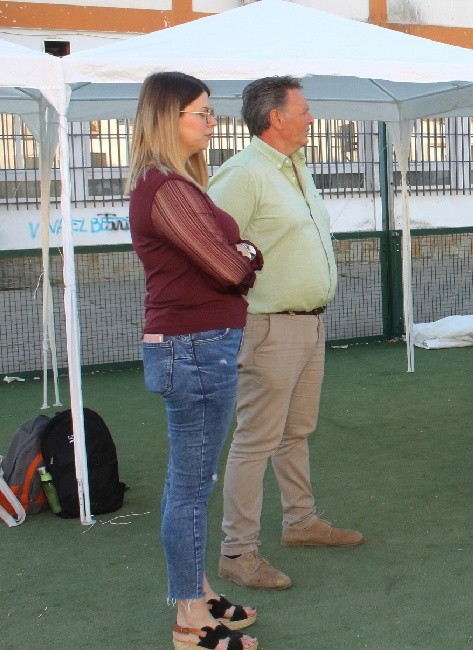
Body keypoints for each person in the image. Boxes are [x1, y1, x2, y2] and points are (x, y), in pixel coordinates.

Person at [209, 76, 362, 591]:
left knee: (295, 432)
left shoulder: (295, 168)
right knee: (256, 440)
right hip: (268, 326)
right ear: (276, 117)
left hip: (307, 323)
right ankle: (238, 552)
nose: (312, 118)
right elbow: (208, 249)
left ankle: (300, 522)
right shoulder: (244, 173)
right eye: (305, 110)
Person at [128, 71, 260, 650]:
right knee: (189, 485)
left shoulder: (179, 185)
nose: (211, 122)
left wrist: (241, 254)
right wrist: (247, 253)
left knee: (193, 482)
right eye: (201, 113)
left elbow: (230, 261)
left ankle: (198, 590)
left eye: (210, 113)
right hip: (193, 347)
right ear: (168, 118)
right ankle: (188, 617)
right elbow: (232, 268)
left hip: (199, 344)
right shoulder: (166, 190)